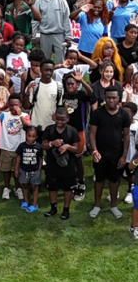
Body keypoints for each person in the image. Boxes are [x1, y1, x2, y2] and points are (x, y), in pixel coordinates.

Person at [90, 87, 131, 219]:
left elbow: (126, 136)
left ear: (119, 98)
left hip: (116, 153)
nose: (111, 100)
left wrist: (124, 156)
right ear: (104, 98)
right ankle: (97, 205)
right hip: (100, 152)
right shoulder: (97, 113)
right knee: (99, 179)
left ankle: (114, 206)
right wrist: (94, 150)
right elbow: (92, 134)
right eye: (108, 97)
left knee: (114, 180)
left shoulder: (124, 114)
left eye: (114, 97)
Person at [41, 107, 80, 220]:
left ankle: (66, 210)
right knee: (52, 187)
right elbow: (43, 145)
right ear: (54, 117)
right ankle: (53, 208)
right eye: (57, 119)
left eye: (62, 119)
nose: (59, 122)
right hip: (52, 165)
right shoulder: (49, 129)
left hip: (68, 166)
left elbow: (77, 149)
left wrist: (67, 146)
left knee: (68, 188)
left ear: (67, 119)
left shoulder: (72, 131)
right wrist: (52, 143)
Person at [62, 70, 93, 201]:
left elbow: (90, 92)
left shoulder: (81, 95)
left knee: (78, 159)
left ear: (77, 85)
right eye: (68, 84)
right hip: (65, 131)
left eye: (72, 84)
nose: (70, 86)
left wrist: (82, 81)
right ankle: (69, 180)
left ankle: (80, 183)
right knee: (67, 157)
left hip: (79, 131)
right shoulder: (64, 96)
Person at [0, 93, 30, 201]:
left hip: (19, 150)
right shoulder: (4, 115)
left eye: (16, 105)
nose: (13, 107)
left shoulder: (25, 115)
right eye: (11, 105)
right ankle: (6, 187)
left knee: (17, 170)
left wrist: (20, 116)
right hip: (6, 148)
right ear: (8, 105)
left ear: (20, 105)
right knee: (6, 170)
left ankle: (17, 188)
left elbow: (27, 127)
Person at [34, 0, 73, 64]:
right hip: (45, 35)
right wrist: (33, 36)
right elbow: (35, 19)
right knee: (45, 60)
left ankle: (60, 73)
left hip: (59, 34)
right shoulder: (39, 1)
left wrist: (68, 36)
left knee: (60, 60)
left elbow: (66, 17)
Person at [25, 60, 63, 133]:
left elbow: (60, 106)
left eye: (51, 70)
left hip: (51, 126)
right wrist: (27, 93)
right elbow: (26, 106)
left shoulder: (59, 86)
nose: (48, 72)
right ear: (41, 70)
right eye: (46, 70)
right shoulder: (34, 85)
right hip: (35, 125)